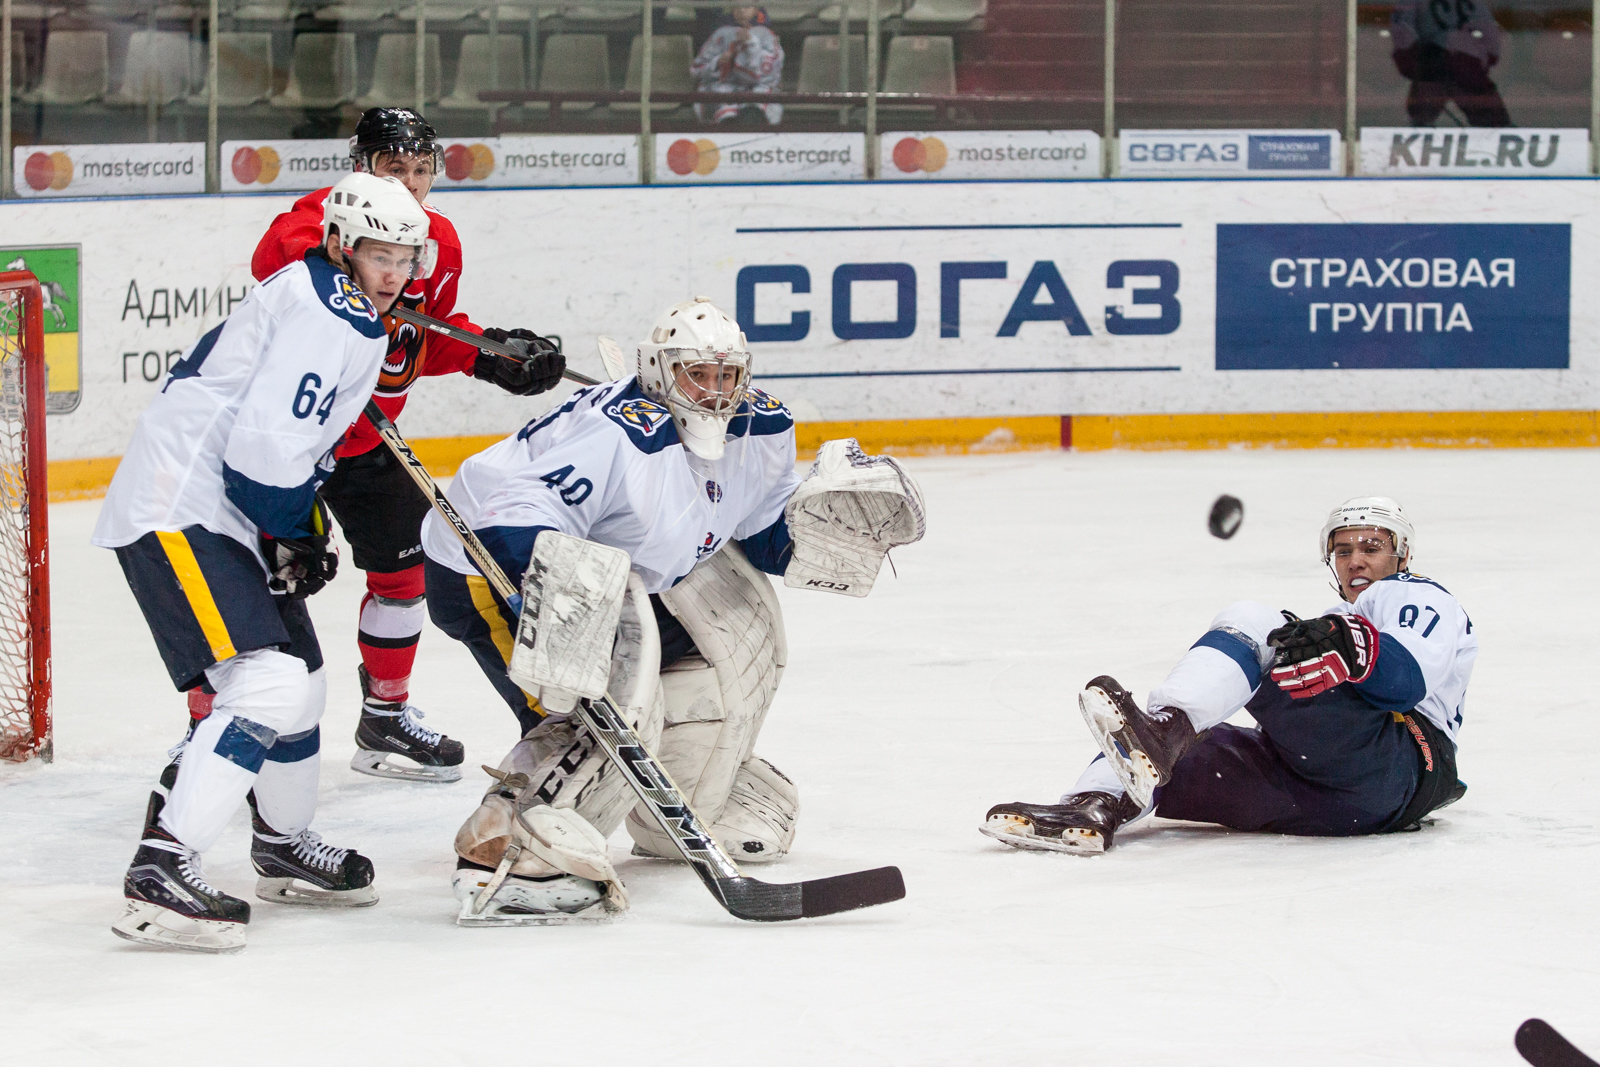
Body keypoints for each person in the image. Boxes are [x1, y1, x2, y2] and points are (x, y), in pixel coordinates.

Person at [420, 297, 926, 923]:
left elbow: (758, 524)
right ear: (660, 373)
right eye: (697, 375)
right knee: (596, 709)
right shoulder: (618, 436)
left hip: (628, 574)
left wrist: (811, 533)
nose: (715, 394)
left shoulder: (759, 429)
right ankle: (508, 845)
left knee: (706, 683)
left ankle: (685, 803)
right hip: (486, 565)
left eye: (726, 377)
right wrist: (566, 607)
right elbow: (511, 514)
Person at [96, 174, 431, 953]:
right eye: (379, 254)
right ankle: (164, 864)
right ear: (343, 245)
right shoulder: (334, 315)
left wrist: (296, 523)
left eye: (405, 257)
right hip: (181, 505)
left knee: (303, 684)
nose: (394, 273)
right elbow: (261, 456)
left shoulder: (332, 301)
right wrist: (301, 529)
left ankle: (282, 844)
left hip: (230, 508)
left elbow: (278, 446)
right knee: (268, 680)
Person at [233, 107, 567, 784]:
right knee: (266, 592)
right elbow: (275, 263)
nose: (411, 184)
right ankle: (237, 729)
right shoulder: (313, 221)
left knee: (404, 575)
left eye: (421, 169)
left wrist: (491, 356)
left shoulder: (438, 240)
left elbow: (425, 335)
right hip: (287, 438)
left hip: (365, 437)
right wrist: (346, 259)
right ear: (362, 168)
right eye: (394, 168)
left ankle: (384, 715)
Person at [984, 497, 1475, 855]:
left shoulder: (1413, 593)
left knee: (1258, 624)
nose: (1356, 560)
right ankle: (1093, 808)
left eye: (1372, 545)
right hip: (1330, 800)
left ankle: (1166, 727)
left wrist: (1347, 643)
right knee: (1179, 753)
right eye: (1343, 550)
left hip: (1398, 764)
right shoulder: (1337, 618)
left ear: (1403, 555)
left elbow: (1406, 680)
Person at [1391, 0, 1511, 128]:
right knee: (1493, 123)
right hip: (1458, 65)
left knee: (1421, 123)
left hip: (1440, 65)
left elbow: (1403, 36)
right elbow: (1492, 41)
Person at [691, 6, 785, 126]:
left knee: (752, 114)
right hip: (722, 90)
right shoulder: (720, 34)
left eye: (746, 6)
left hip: (757, 91)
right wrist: (718, 62)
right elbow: (697, 71)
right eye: (737, 6)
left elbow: (771, 77)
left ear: (756, 9)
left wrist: (752, 45)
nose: (741, 10)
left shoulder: (767, 36)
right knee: (723, 115)